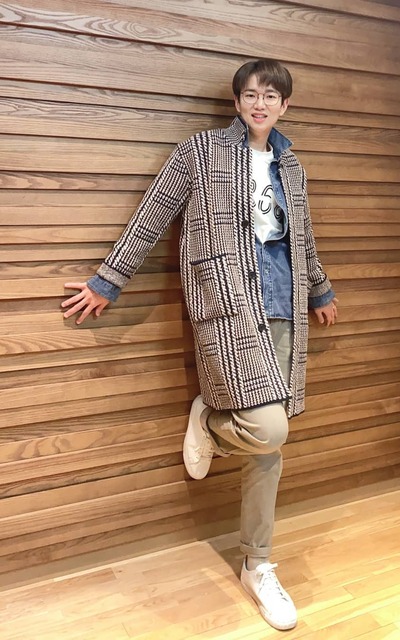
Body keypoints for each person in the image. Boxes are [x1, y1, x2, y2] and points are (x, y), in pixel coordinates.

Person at [61, 58, 337, 631]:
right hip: (229, 307)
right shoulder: (201, 151)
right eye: (250, 94)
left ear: (285, 105)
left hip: (284, 305)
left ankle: (257, 563)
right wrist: (108, 281)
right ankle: (209, 421)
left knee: (269, 447)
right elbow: (153, 214)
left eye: (271, 96)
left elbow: (304, 237)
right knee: (268, 429)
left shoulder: (292, 164)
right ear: (236, 102)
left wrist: (319, 289)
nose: (260, 104)